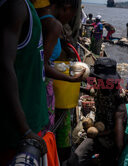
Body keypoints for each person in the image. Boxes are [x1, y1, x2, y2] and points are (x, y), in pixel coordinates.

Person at [35, 0, 84, 164]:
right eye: (73, 14)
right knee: (47, 132)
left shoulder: (37, 17)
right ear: (67, 7)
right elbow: (43, 66)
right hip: (44, 87)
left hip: (35, 85)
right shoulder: (54, 25)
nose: (71, 19)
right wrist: (70, 78)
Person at [0, 0, 48, 165]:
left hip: (28, 125)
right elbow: (4, 66)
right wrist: (24, 129)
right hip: (17, 132)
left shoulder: (26, 6)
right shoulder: (16, 5)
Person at [82, 57, 128, 165]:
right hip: (97, 134)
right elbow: (88, 85)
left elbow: (122, 128)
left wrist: (98, 134)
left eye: (97, 78)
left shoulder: (120, 98)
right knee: (74, 161)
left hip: (112, 140)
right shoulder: (99, 87)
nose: (95, 80)